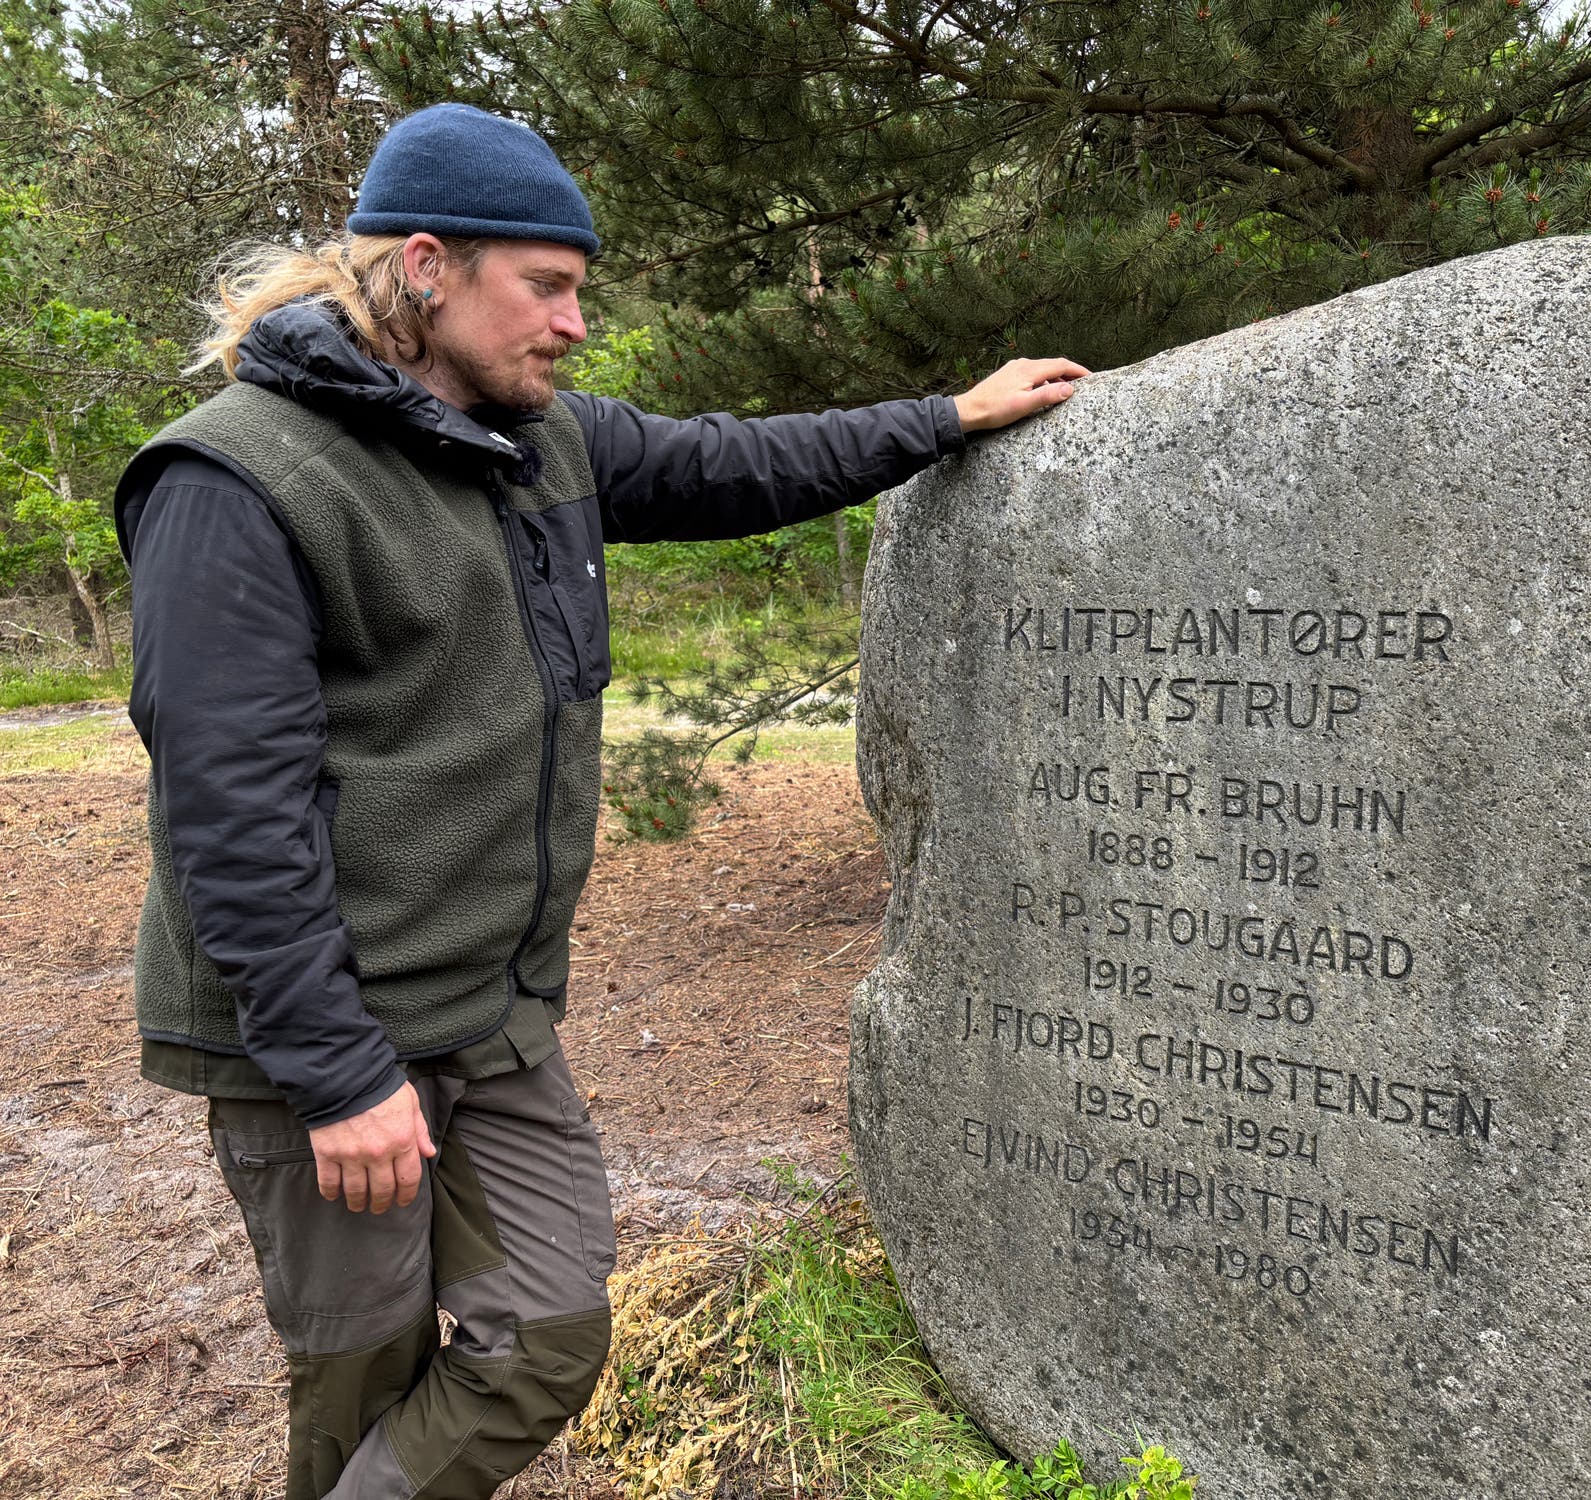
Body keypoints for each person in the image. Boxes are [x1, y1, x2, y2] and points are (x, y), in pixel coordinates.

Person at [115, 101, 1088, 1500]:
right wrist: (338, 1079)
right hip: (314, 1037)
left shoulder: (540, 442)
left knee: (547, 1337)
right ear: (430, 267)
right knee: (363, 1372)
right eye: (550, 287)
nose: (575, 324)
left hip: (490, 1013)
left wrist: (947, 419)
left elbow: (737, 464)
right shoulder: (237, 478)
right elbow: (230, 815)